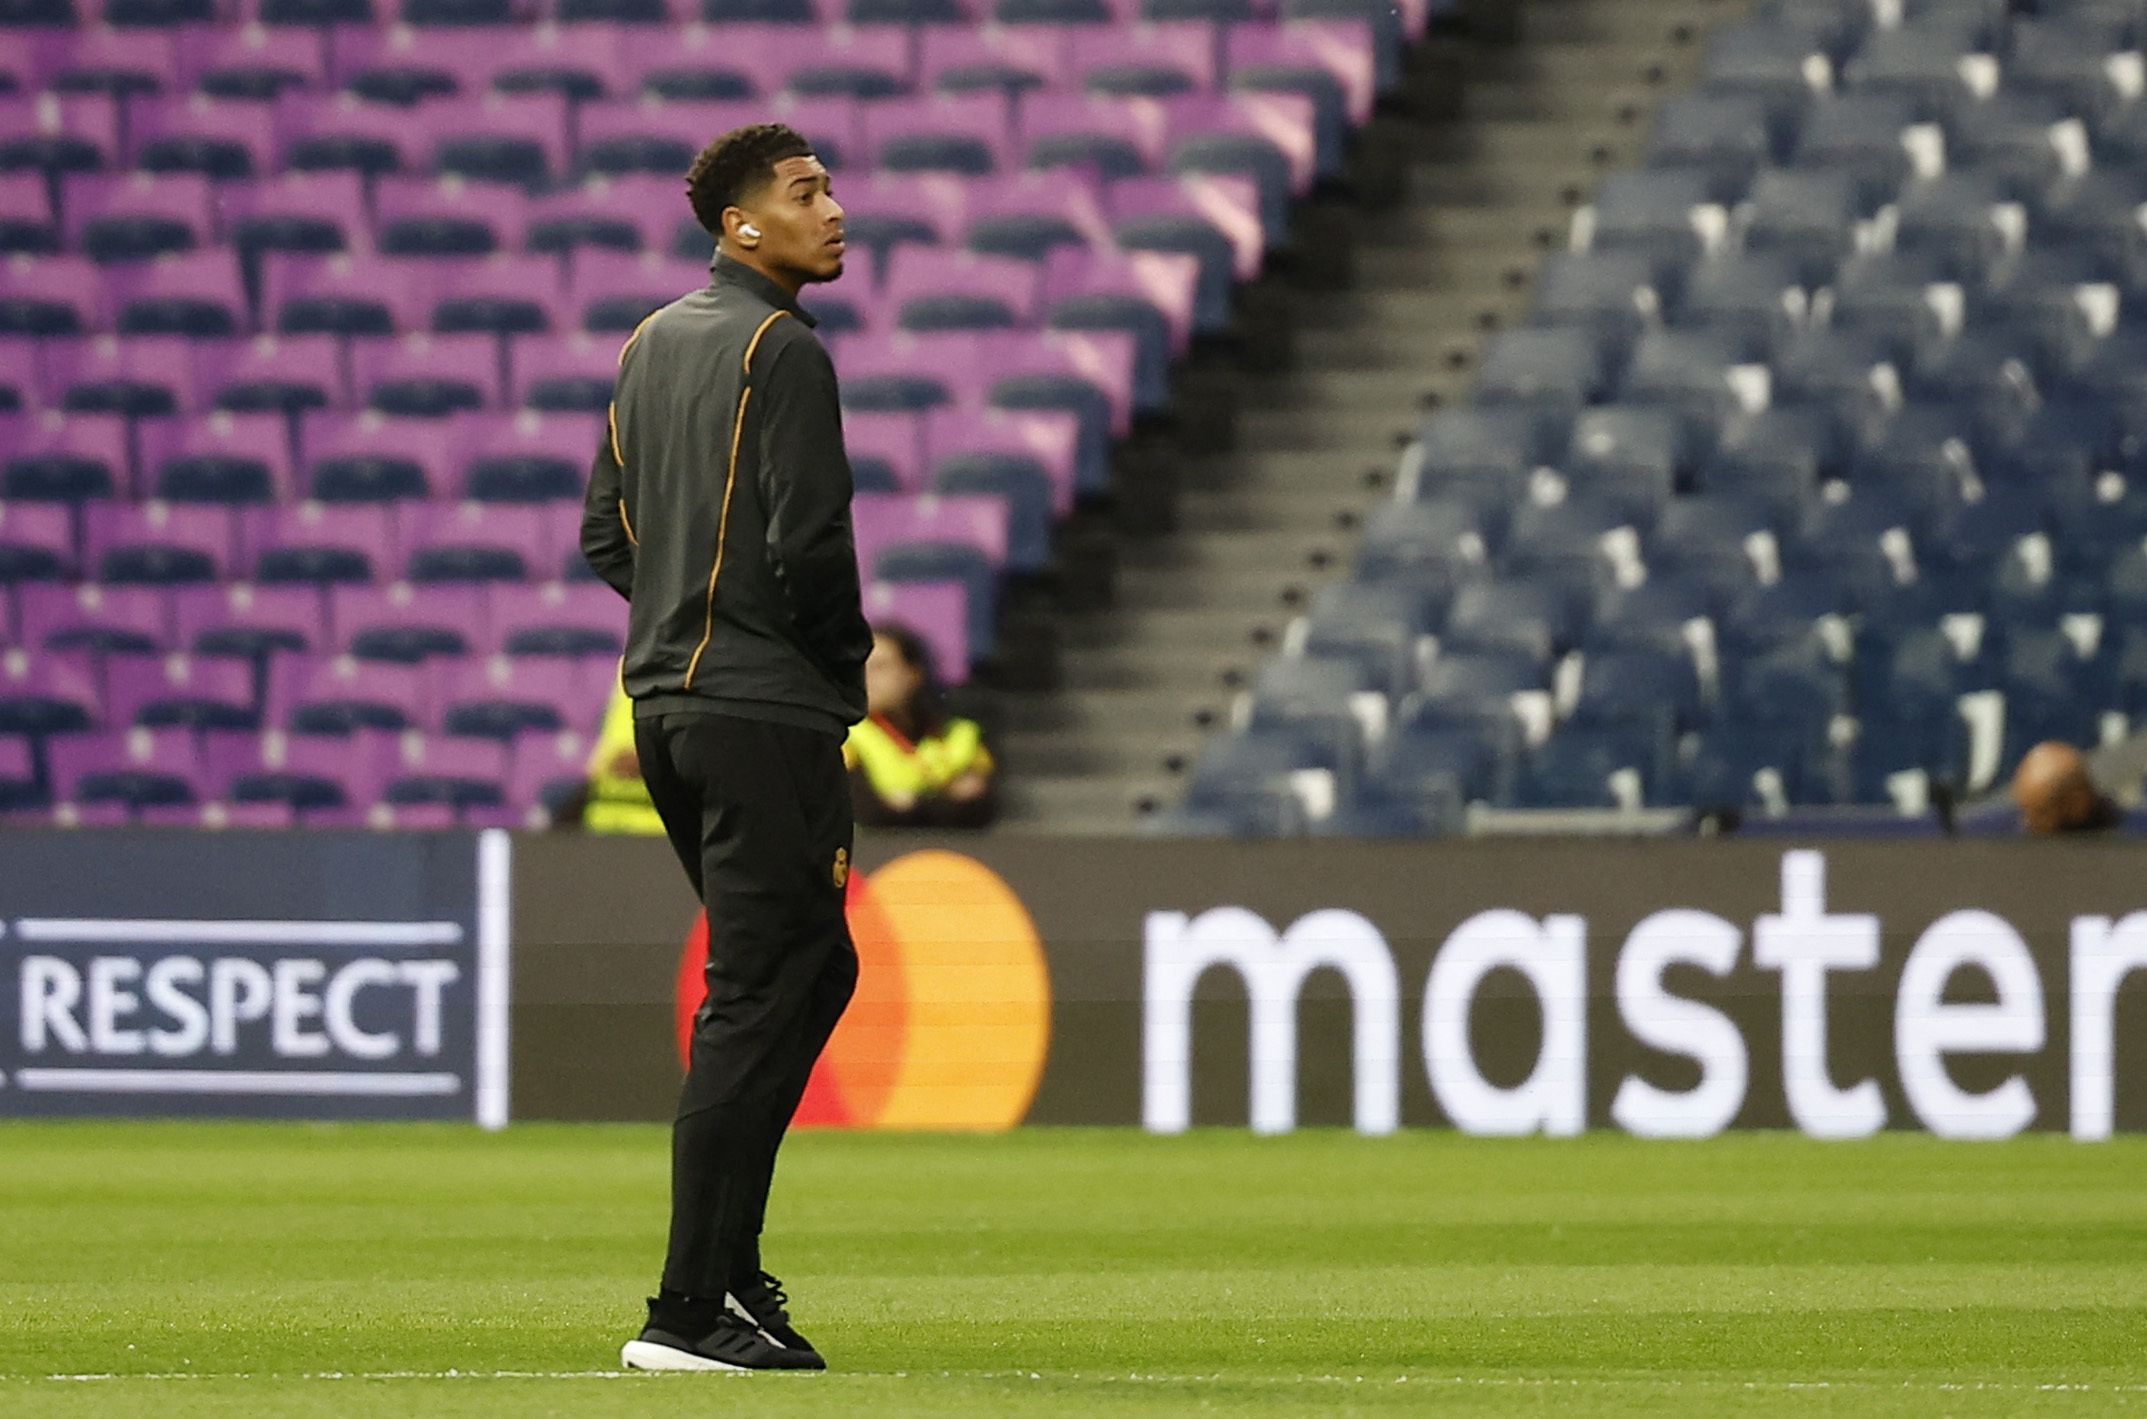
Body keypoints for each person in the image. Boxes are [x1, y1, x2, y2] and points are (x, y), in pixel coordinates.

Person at [579, 122, 868, 1374]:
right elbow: (812, 546)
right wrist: (837, 668)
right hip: (763, 714)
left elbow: (606, 535)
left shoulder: (648, 343)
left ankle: (728, 1278)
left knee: (811, 971)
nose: (835, 208)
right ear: (741, 226)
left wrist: (687, 625)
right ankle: (688, 1308)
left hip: (670, 713)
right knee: (763, 988)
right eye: (806, 192)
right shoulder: (781, 349)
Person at [846, 623, 999, 828]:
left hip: (952, 854)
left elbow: (978, 808)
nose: (866, 677)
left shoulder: (962, 735)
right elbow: (866, 810)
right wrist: (945, 798)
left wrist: (909, 803)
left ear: (914, 673)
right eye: (860, 667)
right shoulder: (845, 736)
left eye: (880, 667)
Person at [2011, 740, 2121, 835]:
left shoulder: (2130, 843)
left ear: (2078, 803)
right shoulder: (2002, 837)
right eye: (2025, 810)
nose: (2027, 821)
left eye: (2041, 812)